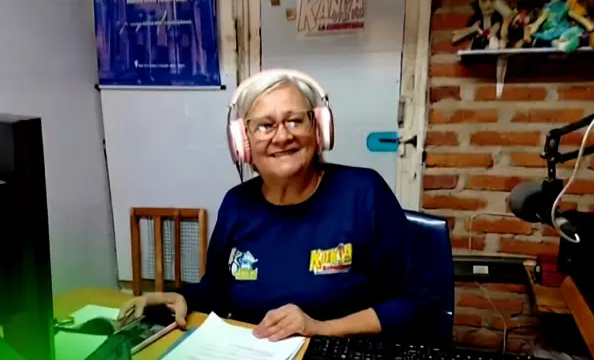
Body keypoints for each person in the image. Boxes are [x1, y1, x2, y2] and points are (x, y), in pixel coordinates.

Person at [118, 69, 439, 342]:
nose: (282, 136)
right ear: (242, 142)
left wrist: (320, 328)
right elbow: (217, 290)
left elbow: (419, 301)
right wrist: (180, 297)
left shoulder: (364, 193)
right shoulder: (236, 204)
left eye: (295, 121)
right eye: (265, 125)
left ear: (319, 130)